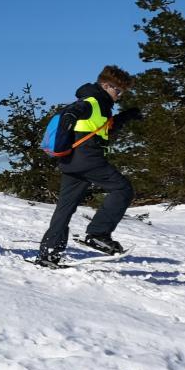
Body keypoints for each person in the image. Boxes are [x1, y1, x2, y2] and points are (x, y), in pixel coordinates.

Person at [35, 65, 142, 266]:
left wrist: (126, 116)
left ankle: (49, 252)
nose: (118, 96)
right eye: (116, 90)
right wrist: (66, 128)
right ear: (105, 85)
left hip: (71, 162)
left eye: (121, 92)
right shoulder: (93, 101)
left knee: (65, 208)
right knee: (123, 188)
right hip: (88, 159)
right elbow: (71, 113)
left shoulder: (99, 105)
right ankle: (98, 234)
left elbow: (104, 129)